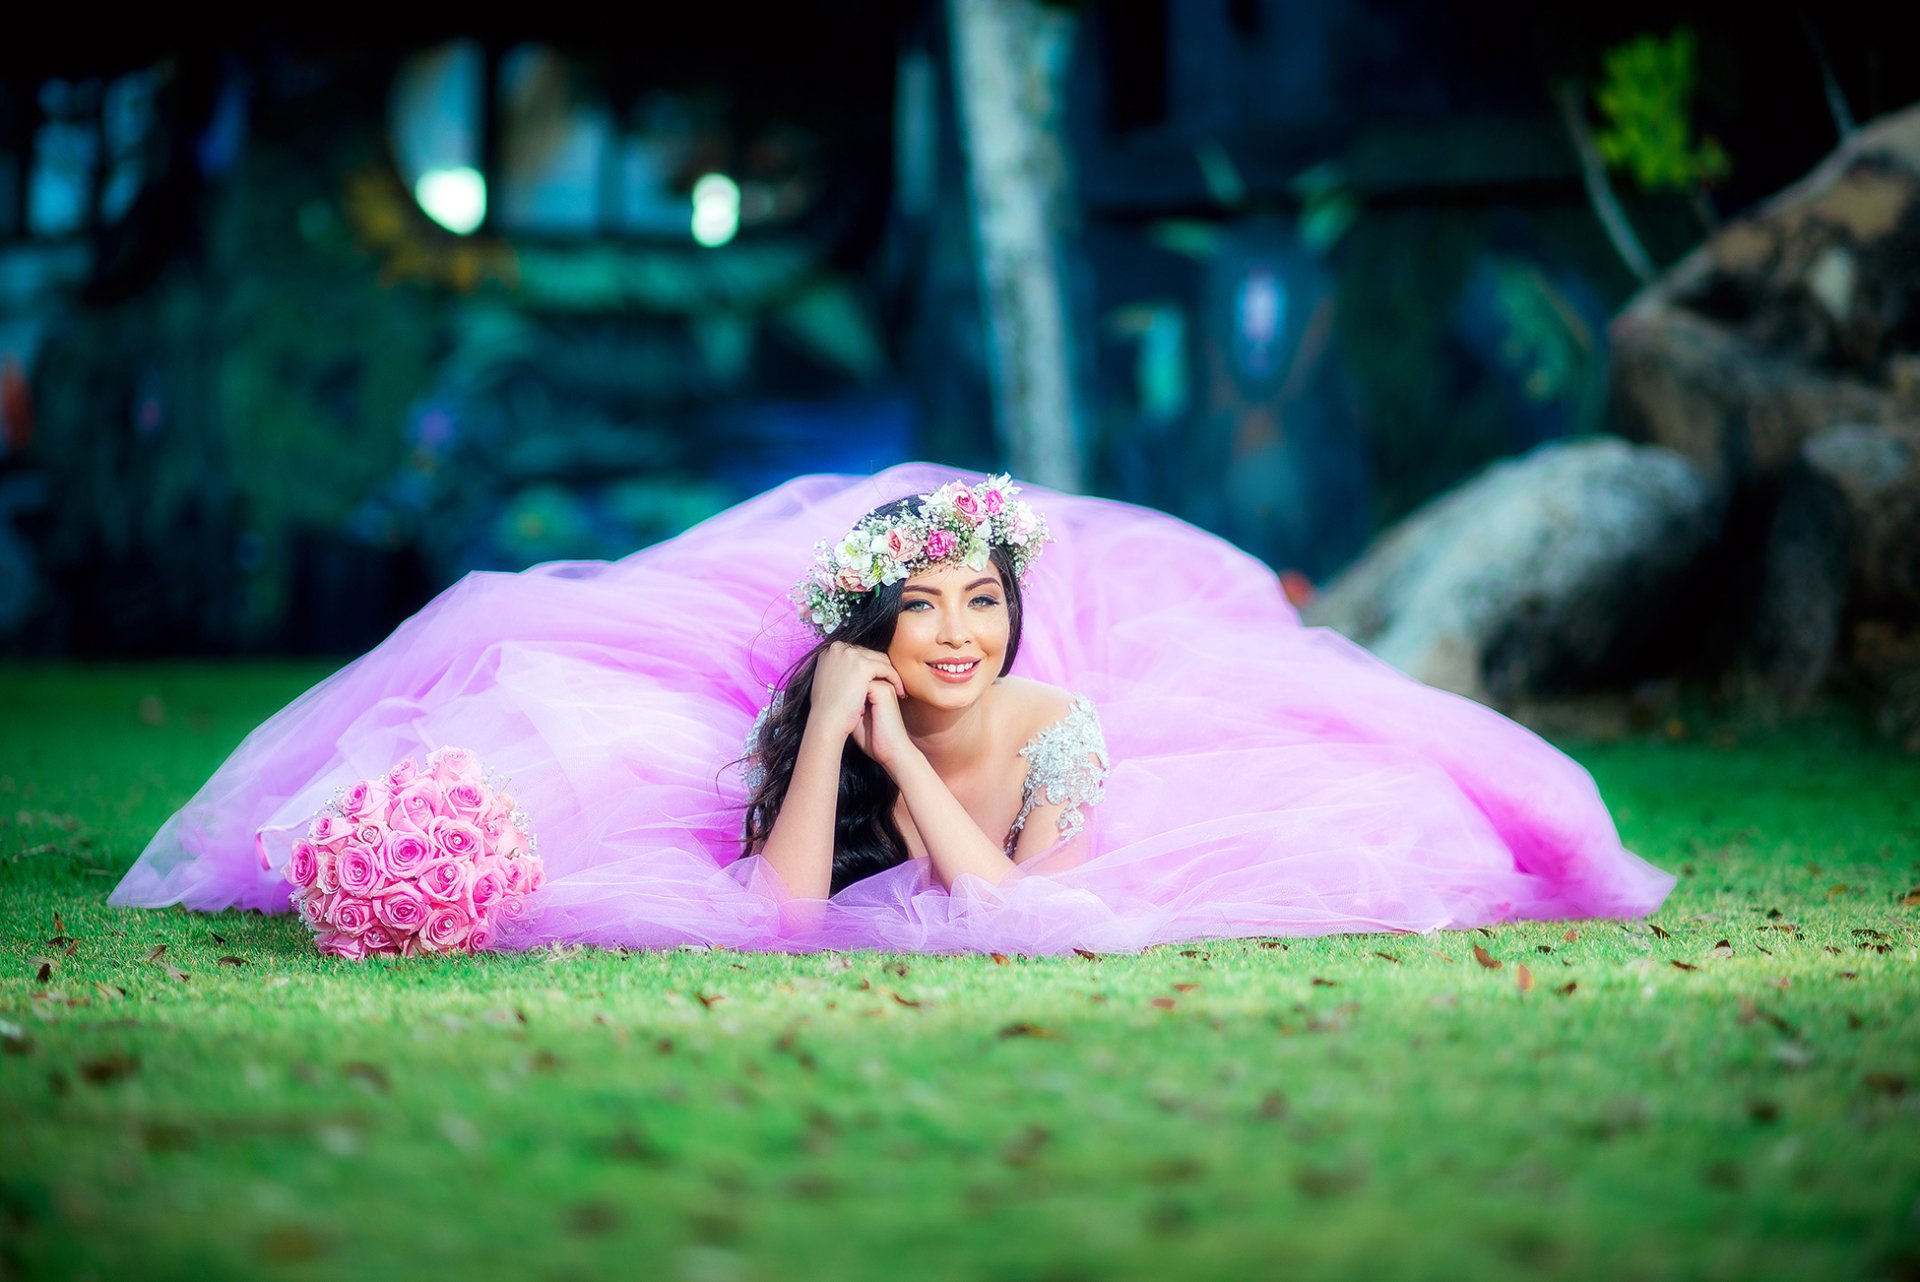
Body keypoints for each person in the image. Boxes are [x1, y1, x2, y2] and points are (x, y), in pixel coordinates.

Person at [109, 464, 1675, 955]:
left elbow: (1009, 907)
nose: (956, 635)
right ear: (872, 618)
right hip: (834, 760)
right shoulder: (828, 702)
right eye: (921, 605)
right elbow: (784, 902)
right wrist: (839, 734)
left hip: (1069, 852)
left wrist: (910, 777)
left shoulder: (1058, 725)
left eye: (981, 601)